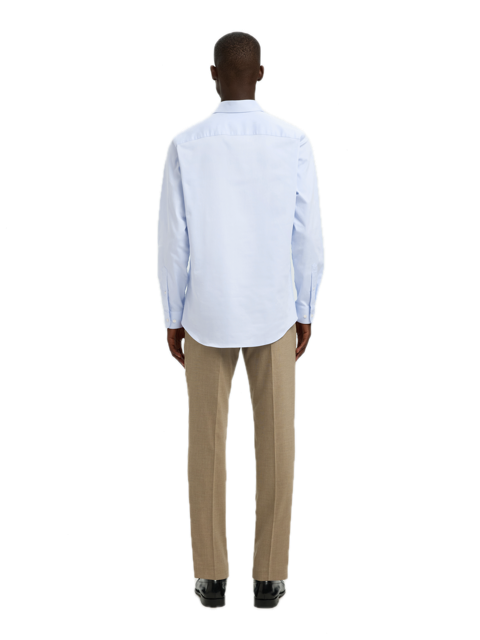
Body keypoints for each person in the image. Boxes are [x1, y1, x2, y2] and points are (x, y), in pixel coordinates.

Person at [156, 30, 325, 610]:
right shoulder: (293, 140)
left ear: (212, 74)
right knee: (278, 442)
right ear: (260, 72)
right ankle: (270, 578)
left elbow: (172, 241)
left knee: (204, 444)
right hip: (274, 310)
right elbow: (308, 236)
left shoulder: (185, 144)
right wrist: (305, 309)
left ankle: (210, 578)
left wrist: (172, 314)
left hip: (205, 312)